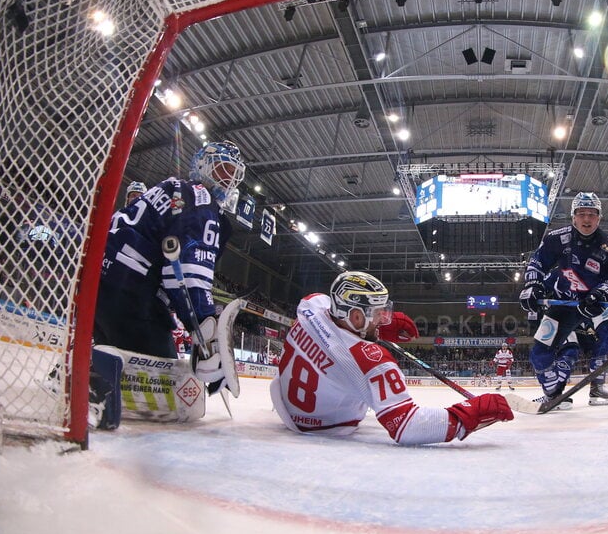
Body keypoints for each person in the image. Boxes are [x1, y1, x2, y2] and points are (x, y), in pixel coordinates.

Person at [89, 140, 246, 428]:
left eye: (233, 173)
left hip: (98, 284)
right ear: (202, 166)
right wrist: (202, 322)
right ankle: (91, 379)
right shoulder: (202, 203)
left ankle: (82, 364)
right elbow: (187, 272)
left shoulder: (171, 187)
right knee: (170, 383)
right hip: (130, 293)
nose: (228, 179)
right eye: (223, 169)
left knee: (115, 343)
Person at [270, 271, 513, 445]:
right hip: (325, 430)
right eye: (377, 314)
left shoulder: (312, 304)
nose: (383, 319)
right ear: (356, 317)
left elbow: (334, 324)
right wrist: (468, 414)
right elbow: (407, 426)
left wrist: (373, 329)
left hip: (284, 402)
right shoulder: (368, 361)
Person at [519, 192, 608, 412]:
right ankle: (553, 394)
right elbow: (537, 262)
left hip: (595, 305)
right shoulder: (557, 239)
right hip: (564, 304)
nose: (586, 219)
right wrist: (532, 285)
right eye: (581, 214)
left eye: (591, 214)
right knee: (539, 354)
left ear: (599, 218)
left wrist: (600, 295)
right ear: (573, 217)